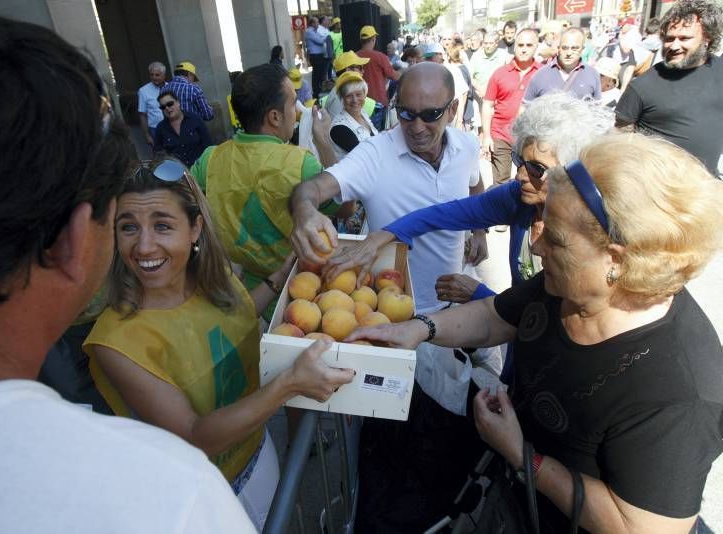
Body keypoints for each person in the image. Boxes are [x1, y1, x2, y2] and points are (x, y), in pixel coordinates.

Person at [0, 12, 255, 533]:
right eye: (122, 222)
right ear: (78, 237)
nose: (144, 245)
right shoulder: (170, 495)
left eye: (163, 224)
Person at [347, 133, 723, 533]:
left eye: (556, 240)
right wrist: (420, 329)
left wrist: (521, 454)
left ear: (615, 260)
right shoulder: (565, 285)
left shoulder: (680, 394)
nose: (538, 248)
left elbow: (641, 528)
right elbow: (497, 316)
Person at [84, 159, 354, 530]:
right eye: (128, 227)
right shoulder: (115, 341)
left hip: (259, 452)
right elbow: (195, 436)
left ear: (195, 228)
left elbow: (234, 324)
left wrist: (282, 273)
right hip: (205, 497)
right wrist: (289, 384)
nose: (143, 246)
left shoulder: (214, 282)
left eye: (162, 225)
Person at [288, 63, 488, 532]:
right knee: (387, 451)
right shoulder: (376, 154)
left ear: (453, 110)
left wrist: (478, 229)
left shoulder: (466, 146)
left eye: (430, 115)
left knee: (440, 442)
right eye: (406, 114)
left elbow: (478, 187)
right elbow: (312, 188)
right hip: (385, 329)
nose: (417, 127)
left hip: (450, 320)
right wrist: (303, 211)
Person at [377, 92, 613, 381]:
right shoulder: (520, 199)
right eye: (519, 161)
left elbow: (560, 322)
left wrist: (480, 296)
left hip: (562, 370)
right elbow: (444, 214)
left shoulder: (593, 236)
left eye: (537, 169)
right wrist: (384, 237)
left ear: (576, 172)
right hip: (519, 353)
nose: (520, 176)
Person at [190, 64, 339, 318]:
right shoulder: (301, 163)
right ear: (274, 117)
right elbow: (345, 206)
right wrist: (324, 141)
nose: (297, 112)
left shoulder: (211, 158)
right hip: (304, 291)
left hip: (247, 289)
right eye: (293, 104)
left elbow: (184, 205)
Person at [615, 0, 723, 175]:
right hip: (658, 193)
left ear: (707, 38)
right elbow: (618, 139)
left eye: (684, 38)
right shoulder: (642, 86)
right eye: (669, 38)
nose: (674, 46)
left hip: (706, 190)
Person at [481, 29, 541, 186]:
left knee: (529, 182)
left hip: (530, 137)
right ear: (514, 46)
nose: (524, 49)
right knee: (500, 183)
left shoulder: (543, 74)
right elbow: (487, 105)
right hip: (501, 135)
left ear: (536, 47)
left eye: (529, 45)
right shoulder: (500, 73)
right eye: (520, 44)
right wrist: (486, 136)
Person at [524, 27, 601, 102]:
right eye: (565, 48)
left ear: (582, 49)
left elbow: (597, 110)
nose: (569, 53)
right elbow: (525, 107)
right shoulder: (540, 75)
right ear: (558, 48)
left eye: (574, 48)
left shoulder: (593, 74)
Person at [357, 25, 401, 130]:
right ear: (373, 39)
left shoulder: (354, 56)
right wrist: (404, 72)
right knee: (379, 134)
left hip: (359, 103)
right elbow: (394, 76)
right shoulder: (380, 57)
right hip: (378, 102)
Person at [153, 91, 212, 168]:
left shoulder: (195, 119)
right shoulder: (160, 128)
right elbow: (158, 154)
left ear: (178, 102)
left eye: (170, 104)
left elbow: (209, 145)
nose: (167, 108)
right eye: (163, 107)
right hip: (178, 174)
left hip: (200, 168)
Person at [328, 72, 378, 160]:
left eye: (358, 94)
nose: (355, 100)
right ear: (342, 99)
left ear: (364, 95)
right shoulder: (339, 128)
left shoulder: (363, 114)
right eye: (349, 96)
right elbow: (366, 157)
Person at [323, 51, 375, 118]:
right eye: (360, 68)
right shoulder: (342, 95)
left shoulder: (341, 91)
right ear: (349, 70)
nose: (363, 71)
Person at [472, 32, 510, 103]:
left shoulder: (503, 54)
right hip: (480, 96)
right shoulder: (476, 56)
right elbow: (470, 76)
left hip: (498, 96)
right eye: (485, 43)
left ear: (496, 44)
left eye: (490, 43)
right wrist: (480, 89)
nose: (488, 46)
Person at [137, 61, 167, 147]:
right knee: (160, 156)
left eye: (157, 75)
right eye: (151, 75)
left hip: (172, 126)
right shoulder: (143, 91)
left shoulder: (171, 87)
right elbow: (142, 115)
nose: (154, 77)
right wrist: (147, 135)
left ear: (164, 75)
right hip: (155, 130)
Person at [304, 16, 327, 98]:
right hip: (315, 56)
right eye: (317, 22)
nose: (318, 24)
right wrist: (327, 36)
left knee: (320, 74)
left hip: (318, 55)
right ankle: (316, 93)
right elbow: (320, 41)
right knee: (317, 75)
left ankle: (318, 91)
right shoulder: (309, 32)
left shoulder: (314, 31)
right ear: (312, 23)